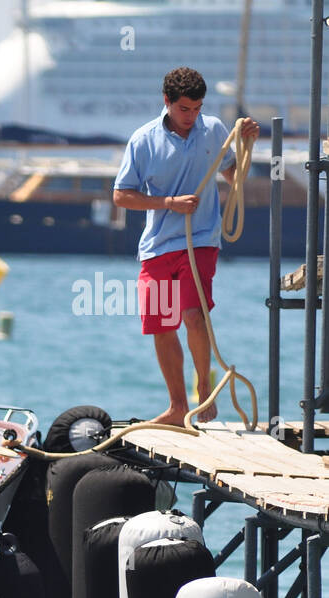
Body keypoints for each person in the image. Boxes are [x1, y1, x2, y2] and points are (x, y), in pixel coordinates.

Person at [112, 66, 259, 426]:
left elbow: (234, 177)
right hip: (158, 245)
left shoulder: (213, 130)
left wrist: (248, 146)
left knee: (194, 315)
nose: (191, 116)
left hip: (202, 239)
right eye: (184, 109)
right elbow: (121, 196)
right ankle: (178, 408)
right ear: (167, 102)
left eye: (197, 108)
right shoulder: (143, 139)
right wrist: (168, 203)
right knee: (162, 325)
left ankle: (203, 390)